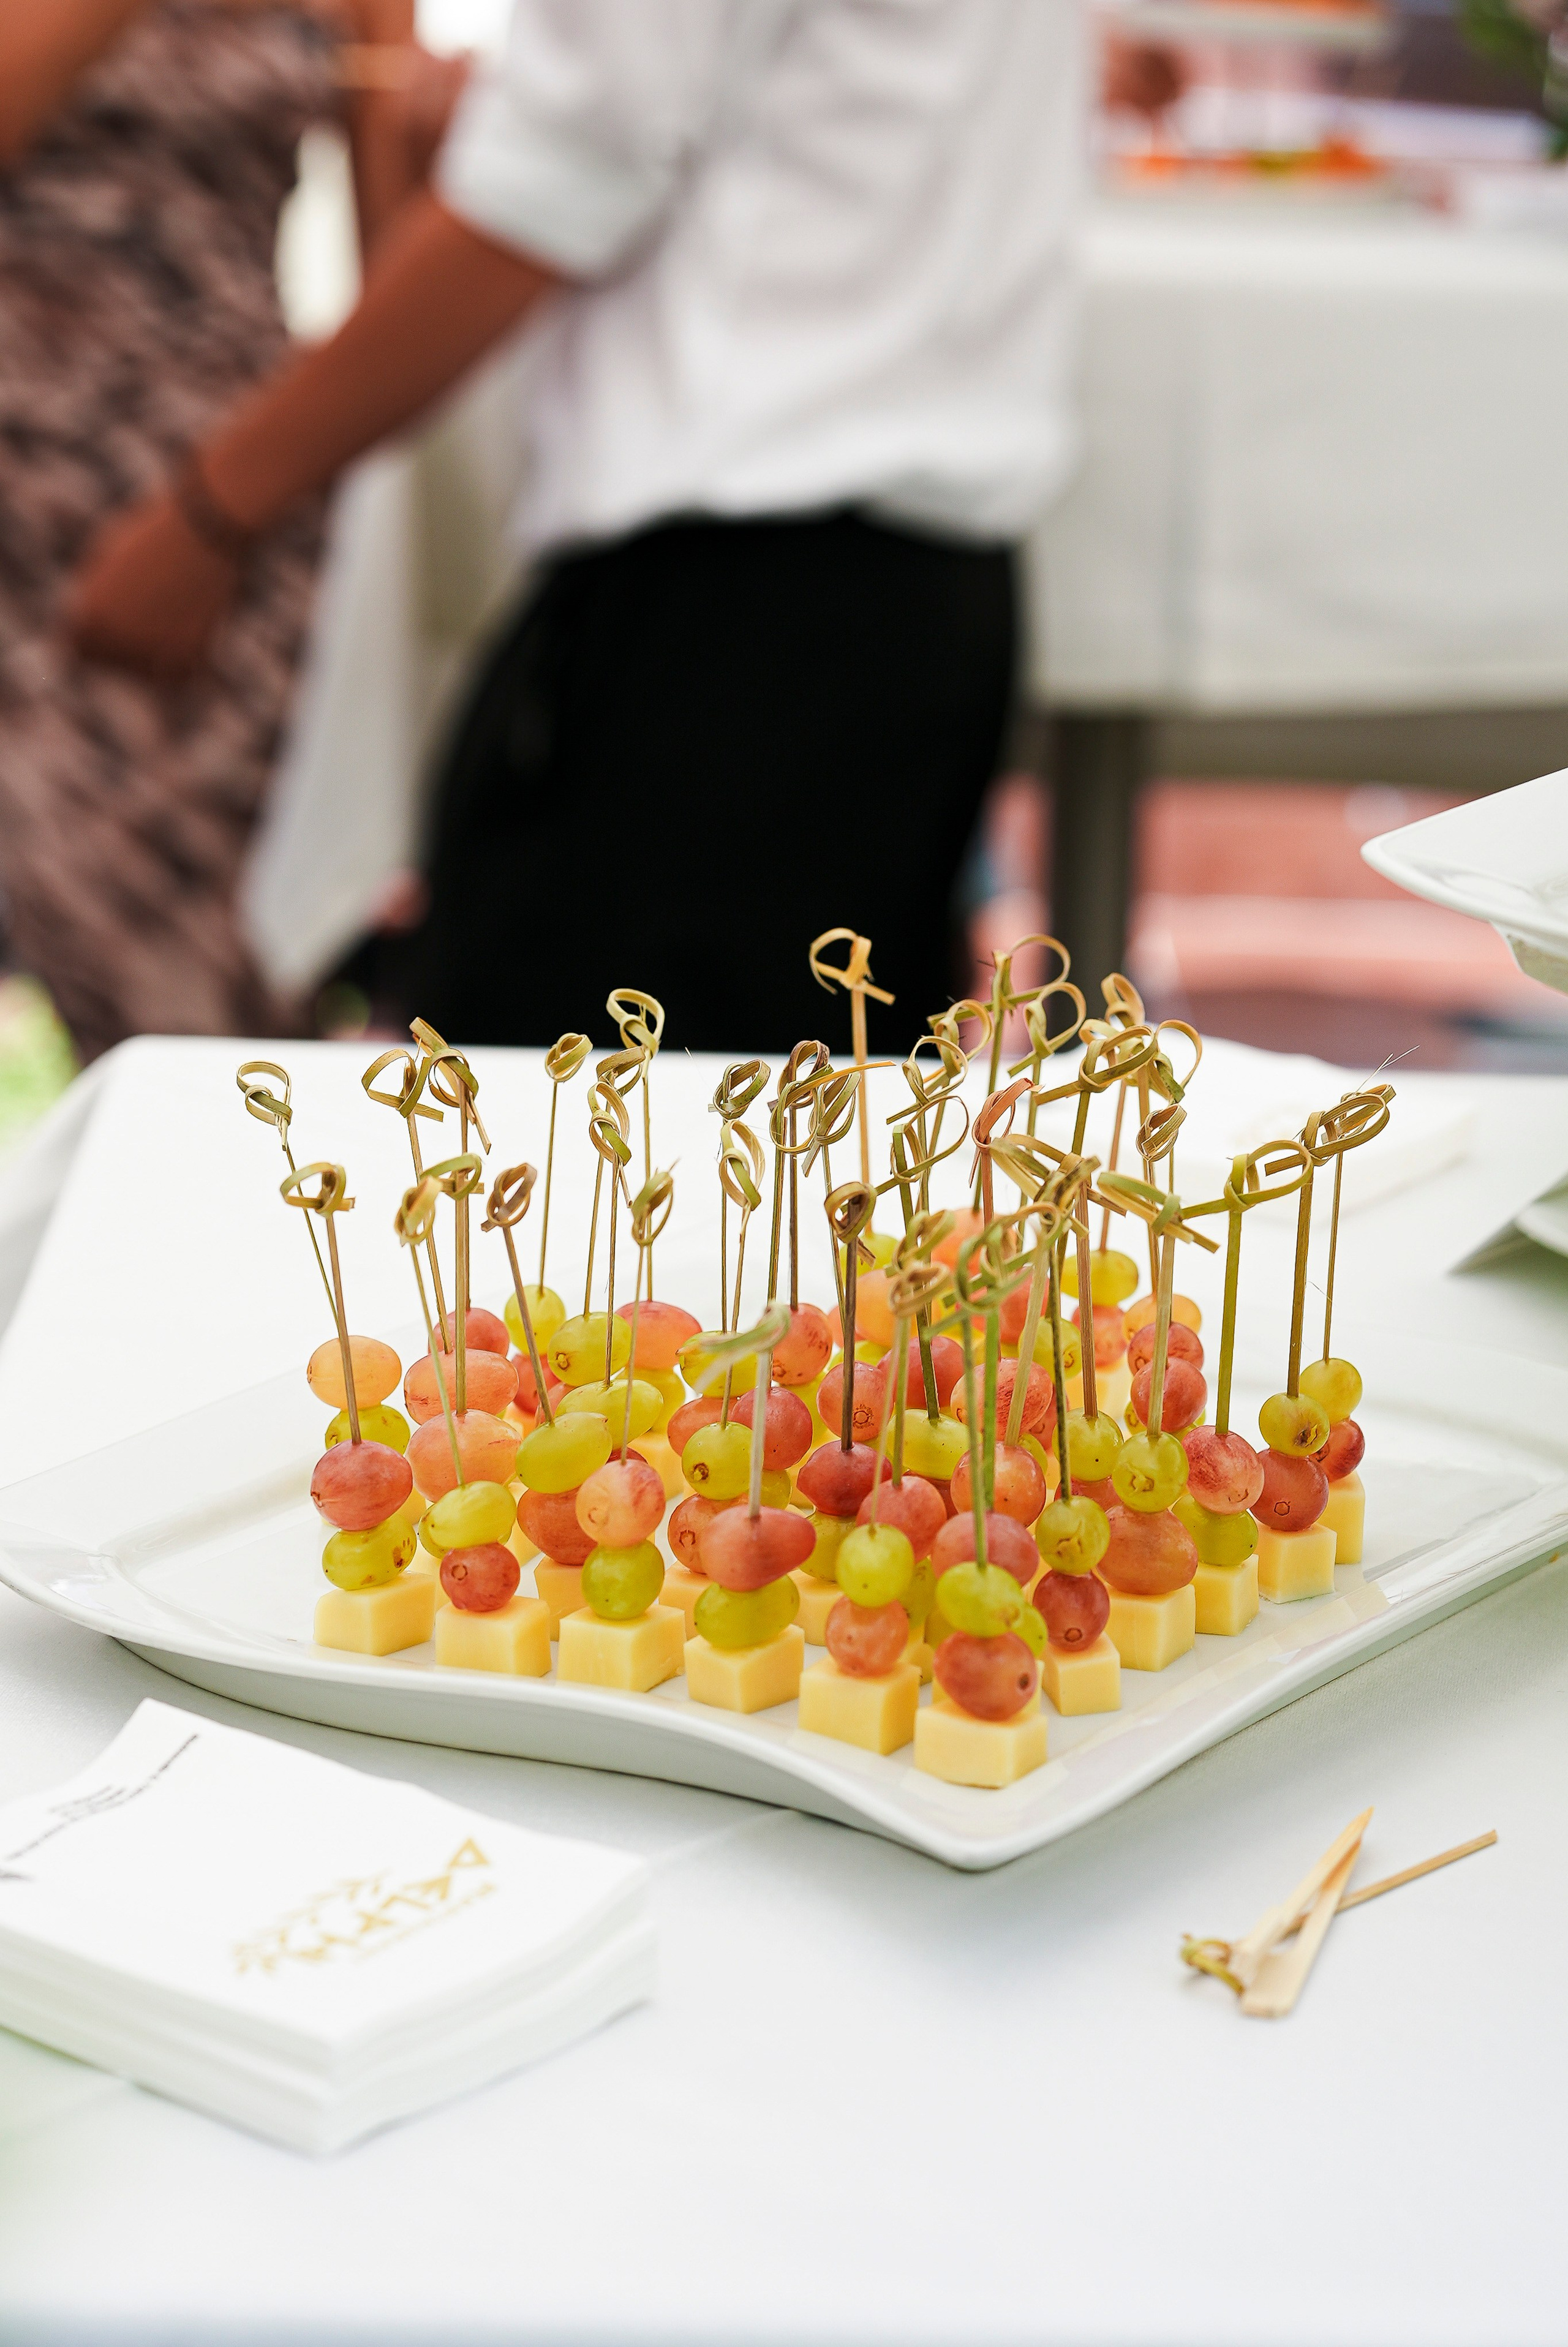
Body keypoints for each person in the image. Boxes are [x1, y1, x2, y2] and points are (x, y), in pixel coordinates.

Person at [66, 0, 1086, 1053]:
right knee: (812, 1162)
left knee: (564, 1156)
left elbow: (552, 184)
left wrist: (210, 511)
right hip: (908, 598)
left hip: (730, 605)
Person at [0, 0, 439, 1060]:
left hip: (224, 497)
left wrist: (438, 137)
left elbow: (399, 276)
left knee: (215, 969)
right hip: (24, 471)